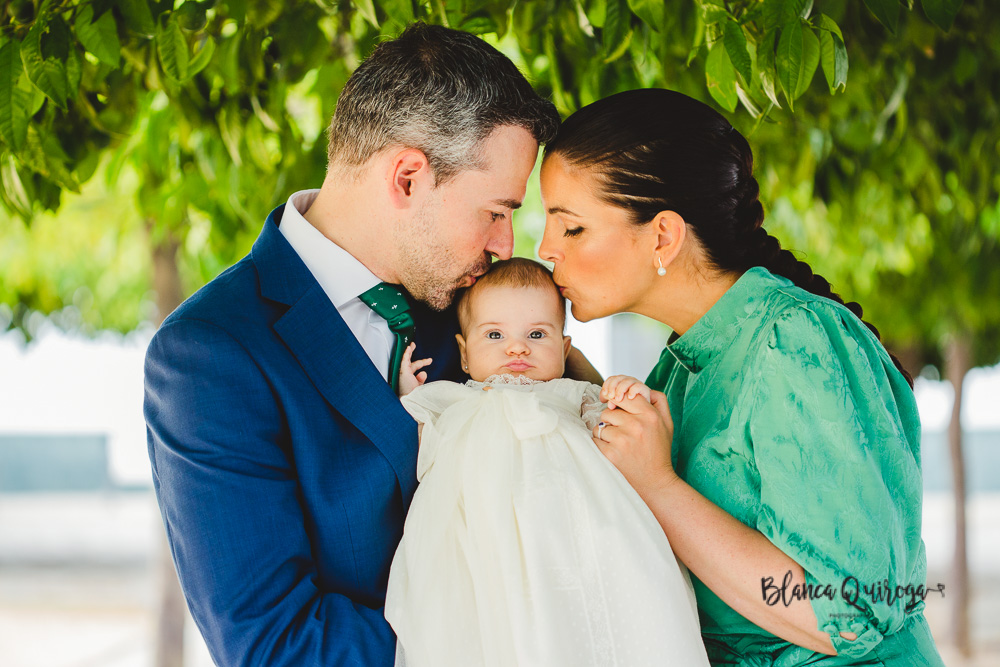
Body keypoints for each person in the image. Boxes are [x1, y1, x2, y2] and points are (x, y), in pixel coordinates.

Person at [143, 23, 564, 665]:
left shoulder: (479, 311)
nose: (506, 246)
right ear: (407, 178)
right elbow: (276, 647)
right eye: (496, 211)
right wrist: (511, 630)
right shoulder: (210, 355)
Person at [537, 88, 946, 666]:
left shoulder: (795, 340)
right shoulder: (683, 362)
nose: (544, 248)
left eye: (571, 228)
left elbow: (846, 612)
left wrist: (659, 486)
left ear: (663, 236)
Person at [383, 258, 710, 667]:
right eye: (495, 334)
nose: (517, 347)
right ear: (464, 355)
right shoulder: (454, 400)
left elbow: (615, 431)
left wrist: (625, 395)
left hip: (574, 532)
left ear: (564, 348)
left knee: (609, 611)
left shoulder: (573, 395)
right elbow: (414, 437)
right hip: (485, 536)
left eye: (537, 334)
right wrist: (407, 391)